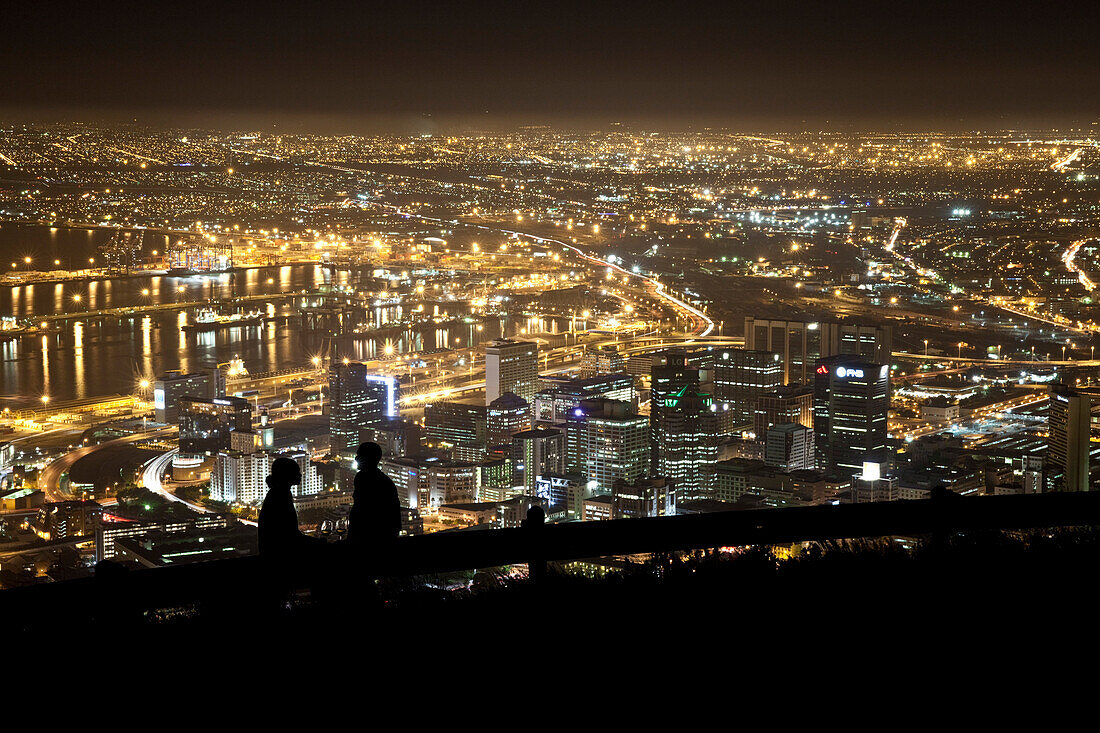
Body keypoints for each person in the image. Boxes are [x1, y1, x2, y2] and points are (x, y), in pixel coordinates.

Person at [348, 442, 401, 546]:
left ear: (368, 459)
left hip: (371, 538)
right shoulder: (362, 478)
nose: (356, 459)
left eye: (359, 456)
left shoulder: (381, 483)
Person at [258, 456, 309, 558]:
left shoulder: (280, 492)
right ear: (287, 475)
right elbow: (289, 535)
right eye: (296, 472)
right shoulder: (280, 496)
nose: (300, 475)